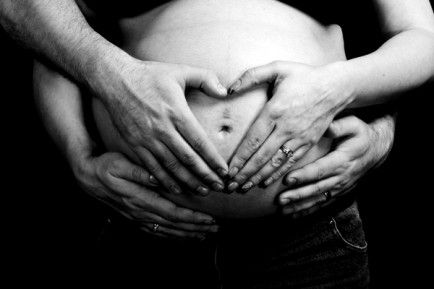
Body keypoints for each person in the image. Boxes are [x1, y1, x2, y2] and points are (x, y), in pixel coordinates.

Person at [2, 0, 433, 288]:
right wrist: (78, 152)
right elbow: (46, 35)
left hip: (309, 229)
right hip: (143, 220)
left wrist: (338, 90)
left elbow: (425, 40)